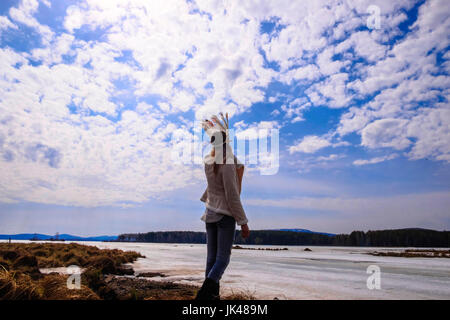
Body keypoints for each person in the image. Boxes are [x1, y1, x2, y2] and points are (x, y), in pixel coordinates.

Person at [195, 113, 250, 300]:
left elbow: (214, 184)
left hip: (210, 213)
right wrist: (243, 222)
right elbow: (231, 194)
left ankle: (212, 298)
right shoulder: (226, 163)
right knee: (222, 259)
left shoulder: (209, 160)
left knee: (211, 259)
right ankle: (204, 294)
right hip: (225, 215)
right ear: (227, 140)